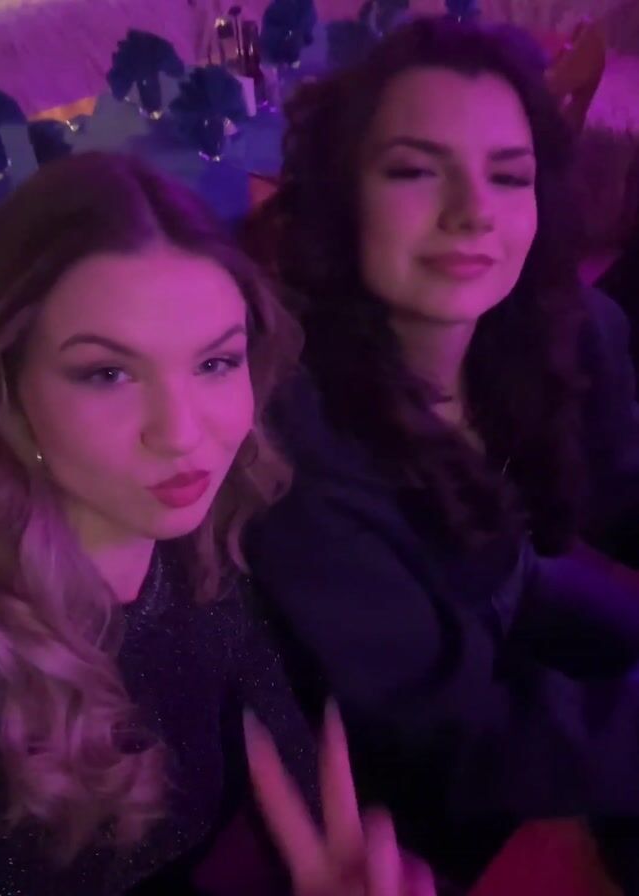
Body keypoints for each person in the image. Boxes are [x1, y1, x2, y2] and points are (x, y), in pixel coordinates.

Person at [244, 16, 639, 890]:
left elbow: (621, 484)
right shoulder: (296, 446)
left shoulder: (557, 330)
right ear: (342, 200)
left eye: (509, 175)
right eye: (416, 171)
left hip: (511, 621)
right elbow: (452, 737)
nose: (474, 213)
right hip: (392, 795)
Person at [0, 151, 435, 896]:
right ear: (11, 387)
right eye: (108, 373)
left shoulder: (203, 550)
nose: (181, 433)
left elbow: (293, 764)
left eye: (214, 364)